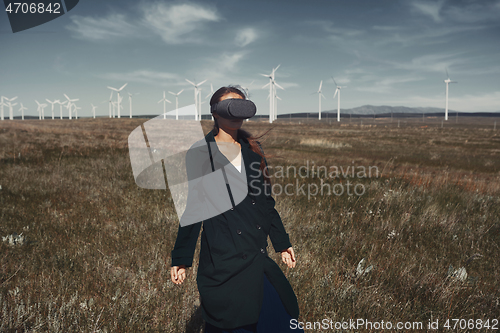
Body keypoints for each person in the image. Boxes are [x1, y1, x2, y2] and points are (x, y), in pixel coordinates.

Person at [170, 86, 303, 333]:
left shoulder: (254, 148)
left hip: (256, 256)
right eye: (230, 106)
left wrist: (282, 242)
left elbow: (266, 202)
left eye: (241, 106)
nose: (237, 113)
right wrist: (181, 258)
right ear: (215, 113)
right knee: (231, 322)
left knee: (282, 323)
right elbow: (194, 206)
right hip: (223, 258)